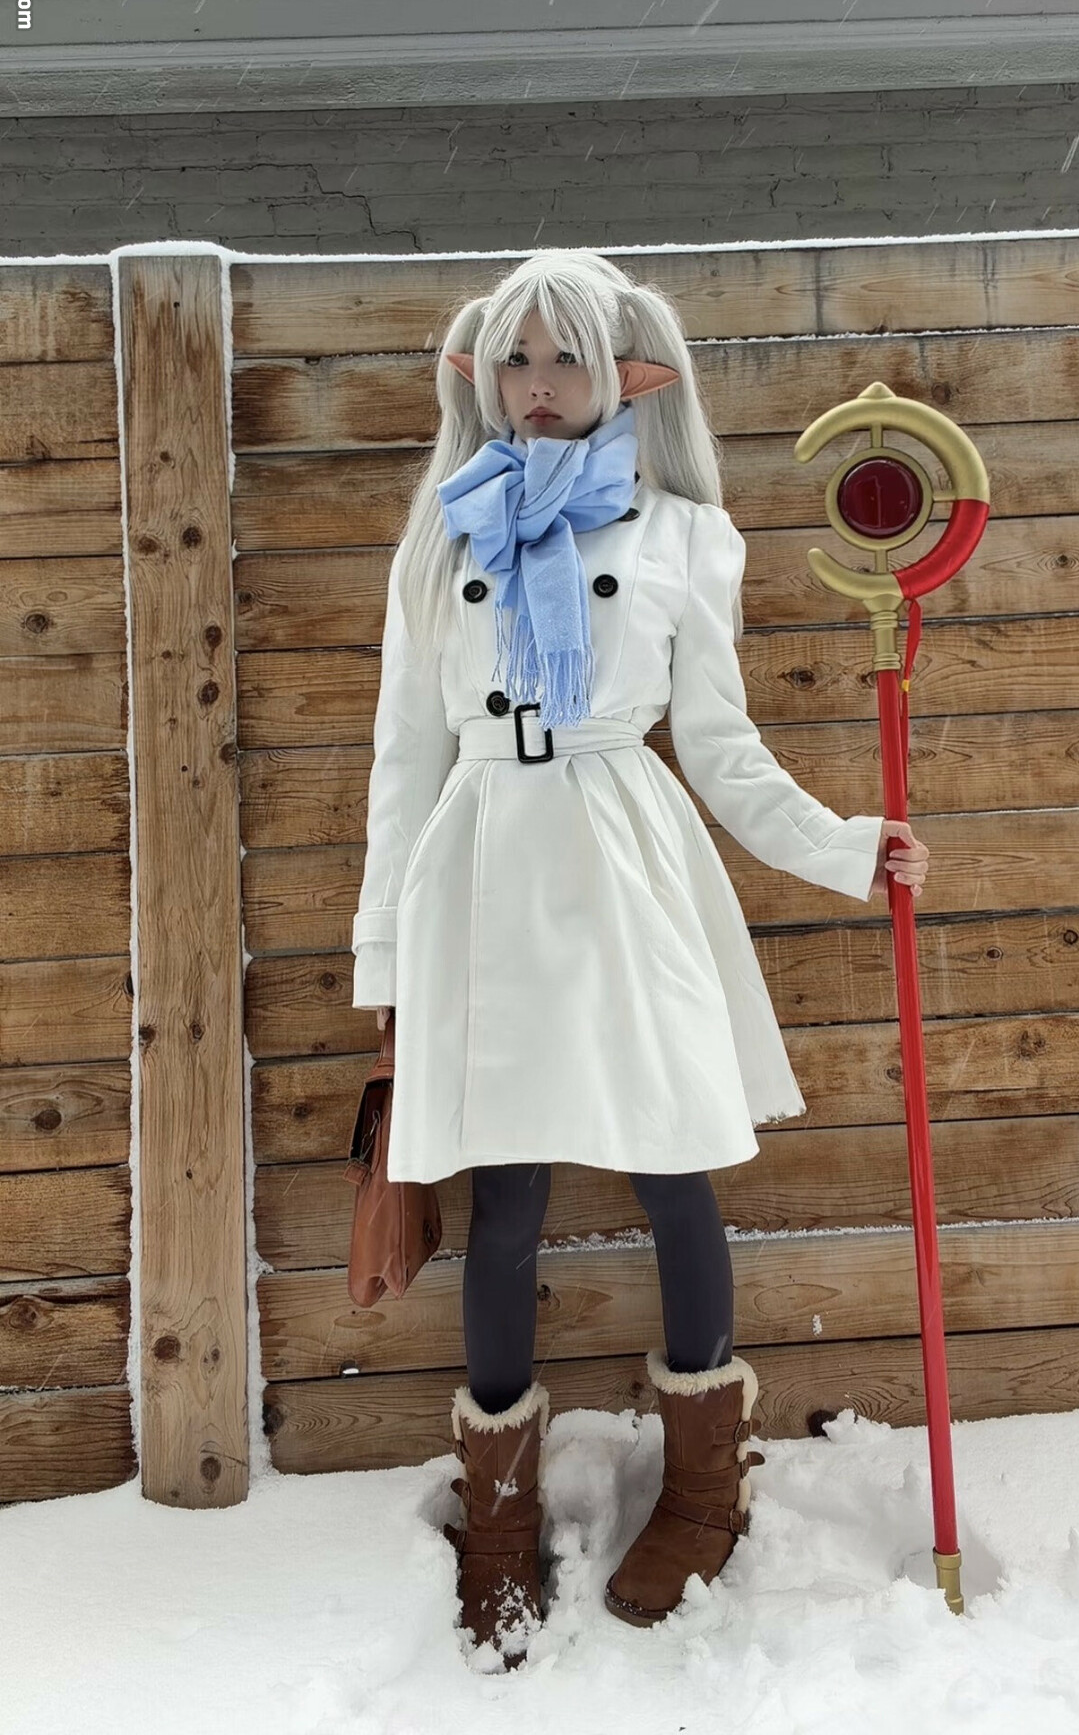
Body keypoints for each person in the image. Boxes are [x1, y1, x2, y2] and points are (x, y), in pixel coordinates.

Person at [351, 250, 929, 1669]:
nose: (538, 386)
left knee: (675, 1167)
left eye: (567, 358)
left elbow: (721, 748)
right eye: (516, 357)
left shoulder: (685, 534)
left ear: (629, 376)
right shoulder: (442, 533)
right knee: (504, 1193)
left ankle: (704, 1487)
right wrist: (385, 954)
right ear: (478, 372)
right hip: (481, 870)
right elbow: (403, 760)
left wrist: (848, 848)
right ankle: (498, 1517)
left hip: (623, 861)